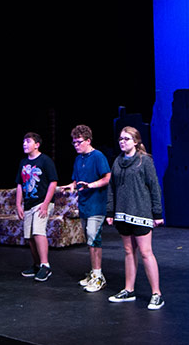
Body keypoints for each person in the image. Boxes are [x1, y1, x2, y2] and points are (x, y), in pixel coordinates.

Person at [105, 127, 165, 310]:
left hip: (140, 213)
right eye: (121, 139)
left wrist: (157, 213)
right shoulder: (117, 161)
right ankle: (128, 290)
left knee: (146, 252)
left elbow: (154, 187)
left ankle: (157, 294)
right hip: (122, 214)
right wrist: (110, 212)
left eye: (127, 139)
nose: (123, 142)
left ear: (136, 141)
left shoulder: (144, 161)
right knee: (129, 251)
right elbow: (112, 188)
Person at [59, 125, 111, 293]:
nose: (76, 145)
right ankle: (93, 272)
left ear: (88, 141)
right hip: (84, 205)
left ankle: (98, 276)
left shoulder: (98, 156)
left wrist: (91, 185)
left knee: (94, 239)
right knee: (89, 241)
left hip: (96, 204)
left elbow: (107, 177)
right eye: (73, 142)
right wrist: (70, 186)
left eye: (79, 142)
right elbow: (76, 180)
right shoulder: (78, 159)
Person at [15, 132, 58, 282]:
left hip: (42, 202)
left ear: (37, 144)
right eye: (23, 142)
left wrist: (46, 204)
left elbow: (53, 182)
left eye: (28, 141)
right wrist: (18, 204)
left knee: (38, 232)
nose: (24, 144)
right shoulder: (23, 162)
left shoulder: (45, 161)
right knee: (29, 236)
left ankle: (45, 265)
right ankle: (36, 264)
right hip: (28, 203)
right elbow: (20, 184)